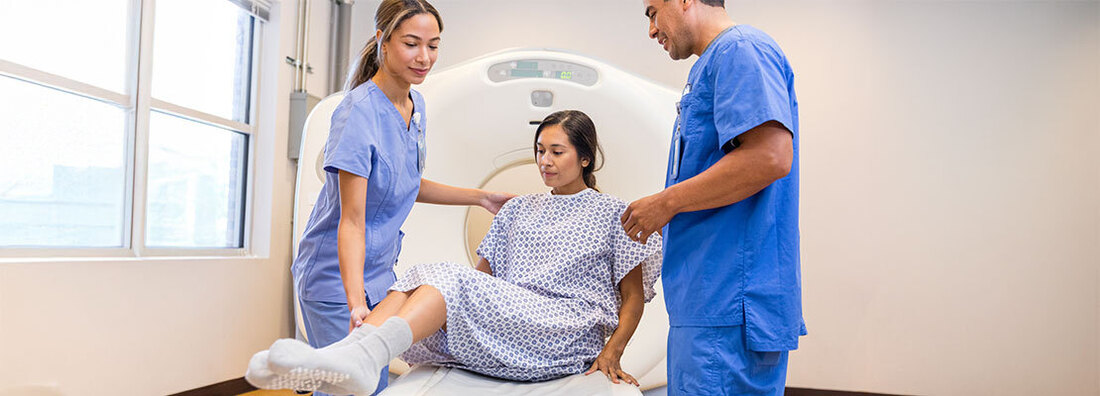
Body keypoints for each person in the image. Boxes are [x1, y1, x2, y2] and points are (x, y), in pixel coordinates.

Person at [246, 110, 663, 396]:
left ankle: (359, 357)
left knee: (446, 276)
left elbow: (631, 298)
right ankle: (348, 355)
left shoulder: (616, 214)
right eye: (540, 150)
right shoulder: (518, 209)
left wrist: (612, 352)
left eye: (558, 151)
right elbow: (481, 277)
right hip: (517, 320)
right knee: (428, 275)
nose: (545, 161)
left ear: (585, 157)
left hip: (567, 329)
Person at [290, 1, 512, 395]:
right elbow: (352, 220)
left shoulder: (414, 105)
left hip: (380, 274)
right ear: (383, 41)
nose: (424, 57)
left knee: (370, 382)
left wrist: (481, 197)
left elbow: (409, 184)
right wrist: (356, 300)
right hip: (336, 278)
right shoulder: (357, 113)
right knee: (349, 387)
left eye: (433, 45)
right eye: (412, 43)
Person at [619, 0, 805, 394]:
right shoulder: (712, 64)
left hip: (728, 300)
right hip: (707, 300)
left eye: (653, 12)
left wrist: (666, 202)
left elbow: (769, 157)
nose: (652, 30)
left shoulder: (742, 50)